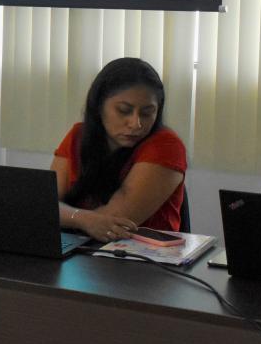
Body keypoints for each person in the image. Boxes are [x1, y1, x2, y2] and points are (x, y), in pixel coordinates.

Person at [54, 57, 187, 242]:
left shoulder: (166, 145)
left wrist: (70, 217)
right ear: (99, 106)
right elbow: (44, 204)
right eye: (124, 110)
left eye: (147, 113)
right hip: (79, 248)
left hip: (141, 255)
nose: (136, 124)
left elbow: (115, 223)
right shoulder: (78, 136)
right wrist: (84, 219)